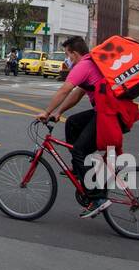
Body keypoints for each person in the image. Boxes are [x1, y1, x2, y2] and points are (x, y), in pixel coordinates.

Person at [36, 36, 113, 218]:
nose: (66, 59)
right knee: (72, 123)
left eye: (67, 55)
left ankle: (97, 199)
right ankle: (79, 170)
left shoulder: (83, 66)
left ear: (75, 54)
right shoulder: (90, 65)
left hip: (107, 115)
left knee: (79, 150)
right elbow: (77, 93)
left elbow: (65, 90)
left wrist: (46, 112)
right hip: (105, 112)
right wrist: (59, 111)